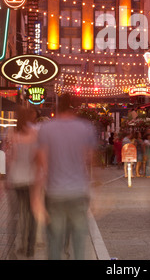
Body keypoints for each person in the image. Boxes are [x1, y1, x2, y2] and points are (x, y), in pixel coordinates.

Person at [33, 93, 97, 260]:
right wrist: (97, 190)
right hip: (79, 191)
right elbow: (91, 160)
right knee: (79, 241)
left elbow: (41, 164)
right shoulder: (85, 128)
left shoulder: (46, 129)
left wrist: (35, 197)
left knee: (54, 240)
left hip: (54, 192)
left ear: (57, 107)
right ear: (75, 108)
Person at [6, 106, 38, 258]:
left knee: (16, 215)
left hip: (15, 180)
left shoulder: (12, 135)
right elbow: (37, 158)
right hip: (31, 179)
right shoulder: (35, 134)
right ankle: (30, 247)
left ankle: (14, 246)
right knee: (32, 215)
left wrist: (5, 178)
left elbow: (8, 158)